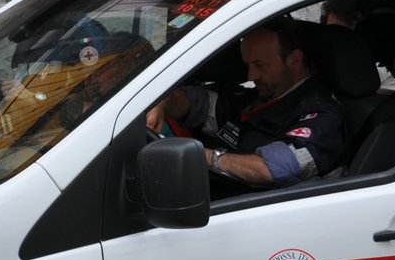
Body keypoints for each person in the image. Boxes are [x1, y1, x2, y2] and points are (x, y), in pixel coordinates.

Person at [146, 19, 349, 187]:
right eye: (248, 65)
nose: (251, 75)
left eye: (260, 65)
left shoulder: (323, 115)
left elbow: (273, 169)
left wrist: (202, 156)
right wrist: (163, 102)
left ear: (294, 60)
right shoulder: (264, 96)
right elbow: (201, 103)